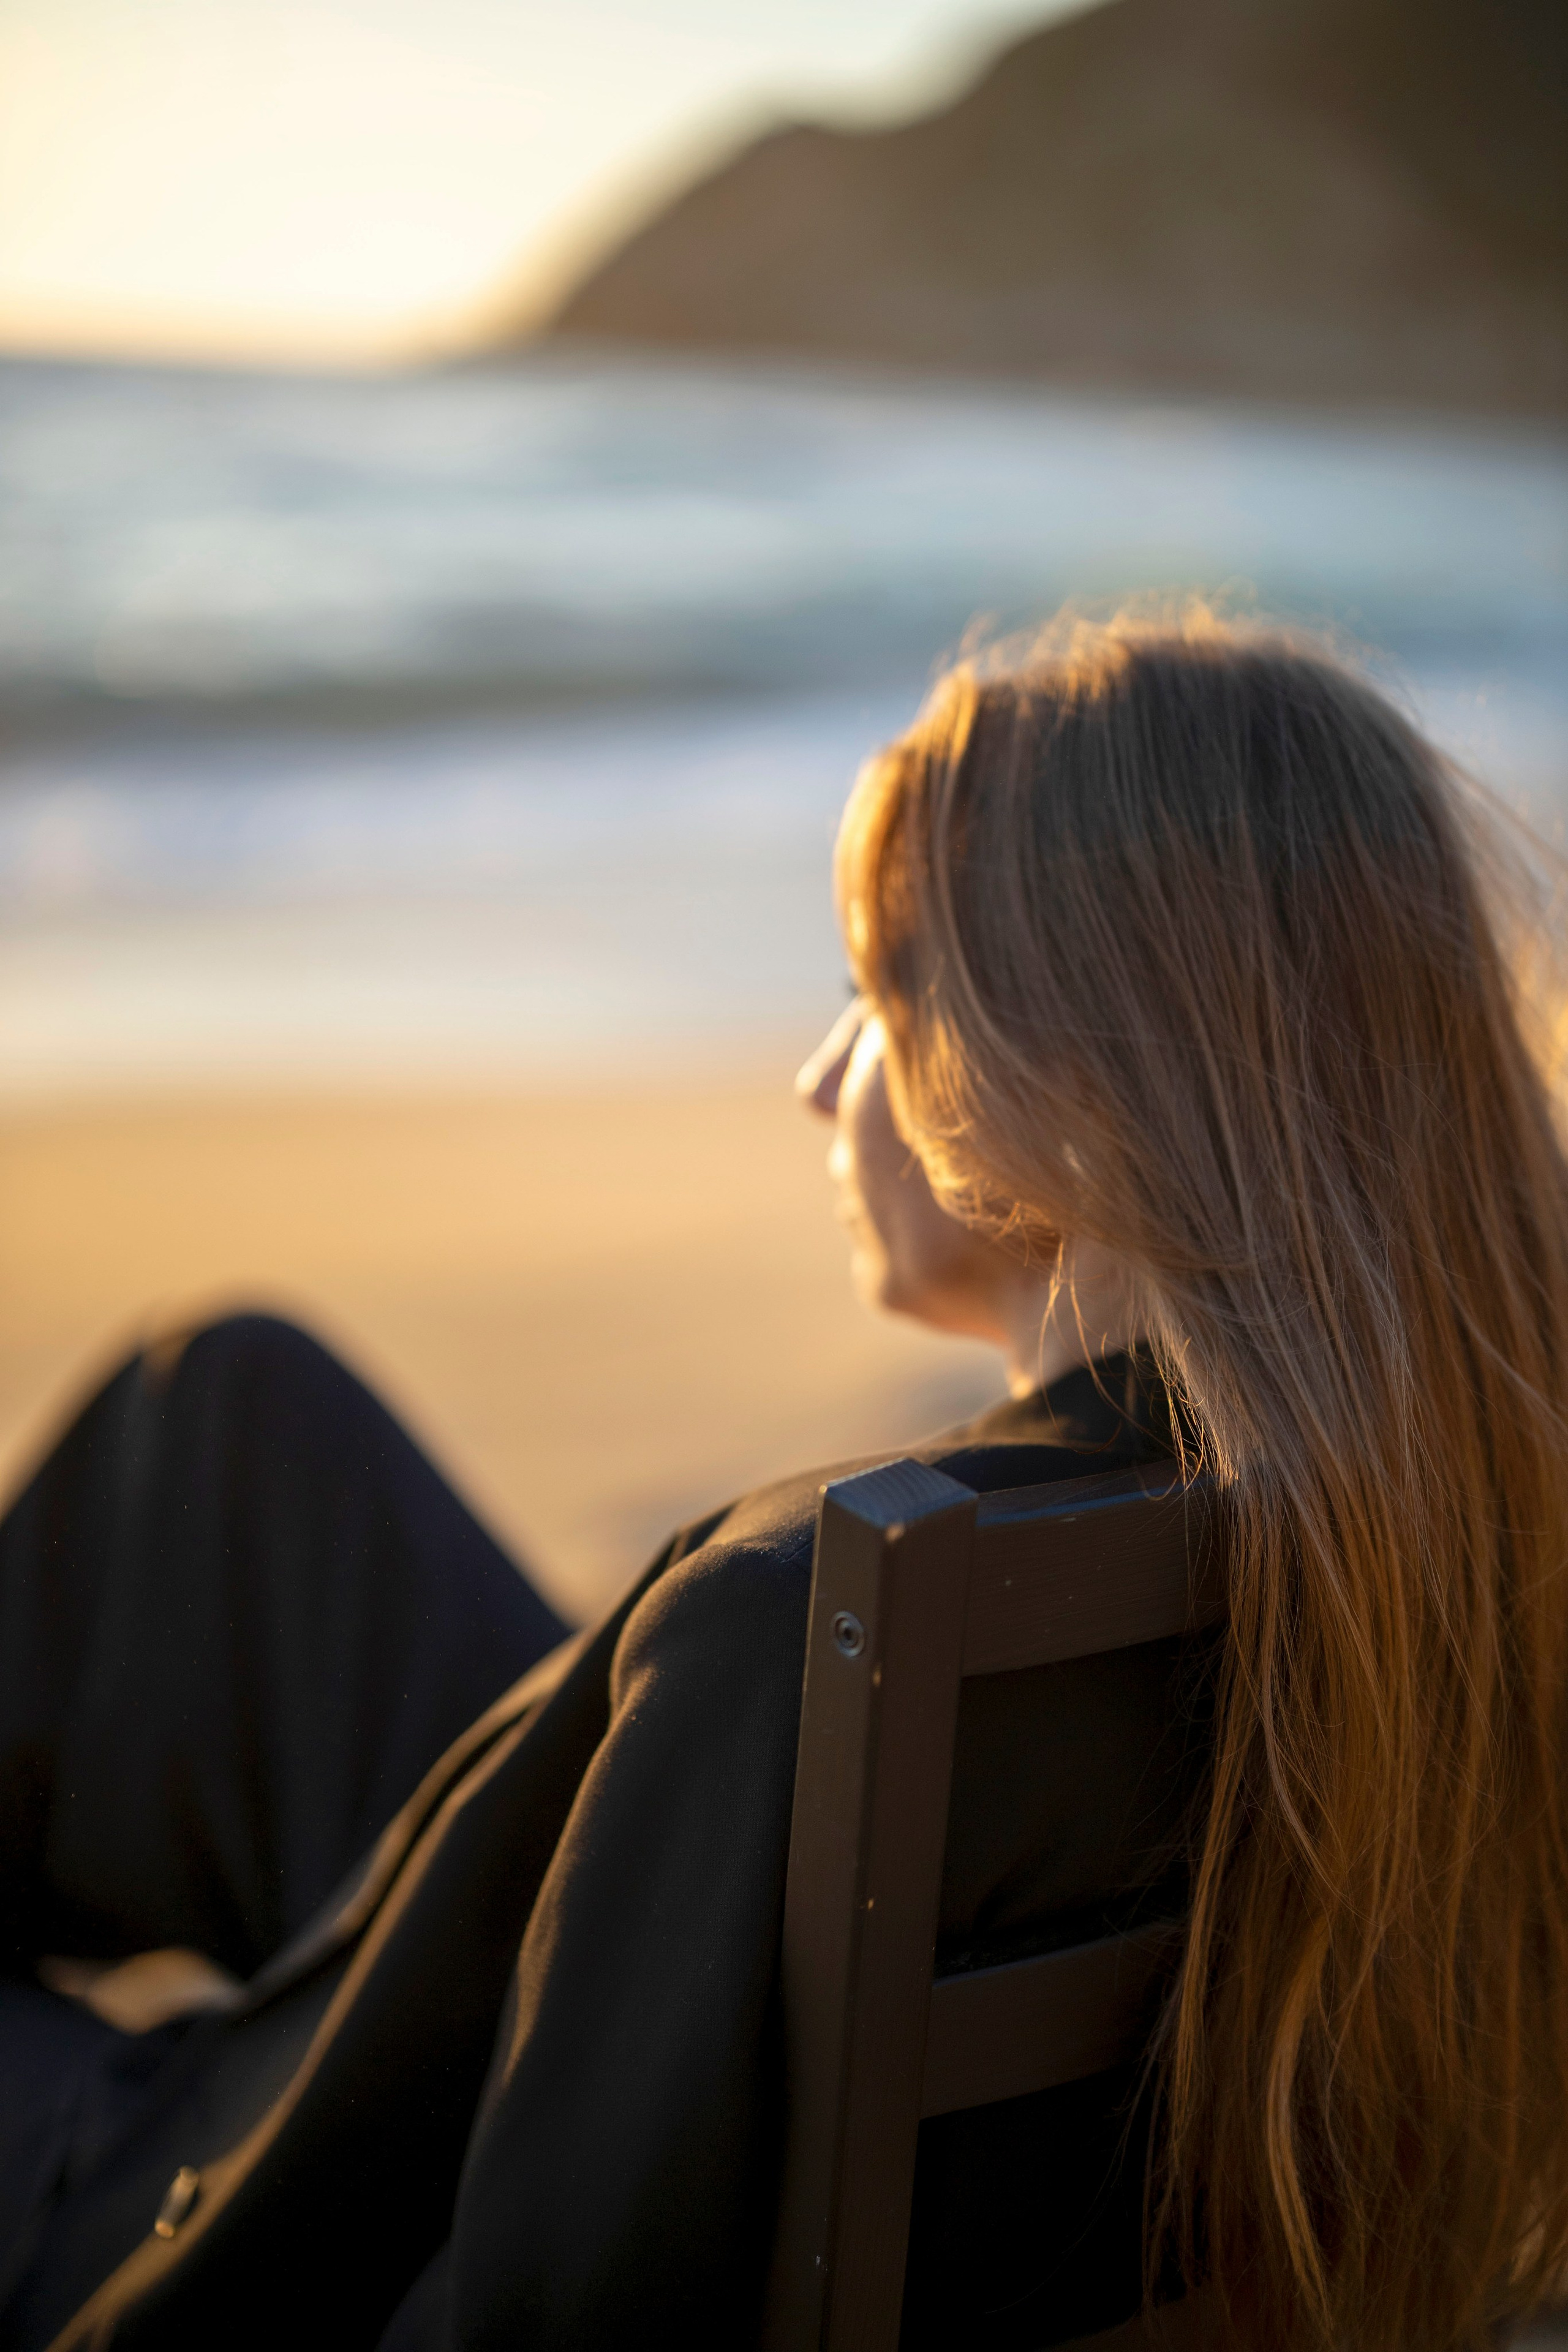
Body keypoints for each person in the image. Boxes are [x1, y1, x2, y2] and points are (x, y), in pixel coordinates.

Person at [1, 607, 1566, 2352]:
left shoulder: (789, 1635)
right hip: (697, 2002)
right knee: (225, 1421)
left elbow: (534, 2302)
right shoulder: (1454, 1516)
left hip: (200, 2220)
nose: (824, 1081)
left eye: (881, 999)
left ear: (1064, 1080)